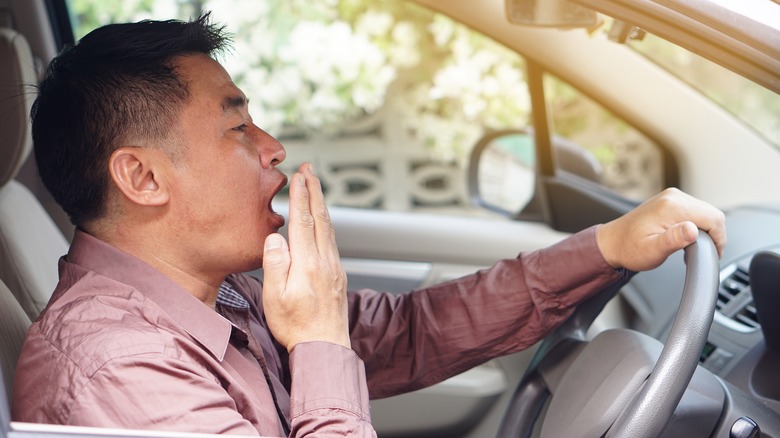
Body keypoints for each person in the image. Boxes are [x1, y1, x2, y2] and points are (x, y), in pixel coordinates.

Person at [12, 13, 726, 437]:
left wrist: (608, 247)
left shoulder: (219, 295)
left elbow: (414, 331)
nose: (273, 147)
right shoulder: (115, 370)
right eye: (236, 127)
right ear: (142, 178)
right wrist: (320, 340)